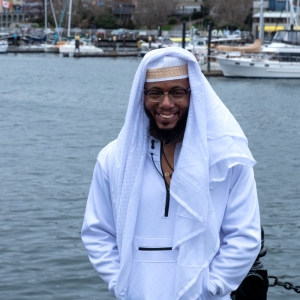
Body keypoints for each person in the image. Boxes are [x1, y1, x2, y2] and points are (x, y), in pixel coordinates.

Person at [81, 47, 261, 300]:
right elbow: (97, 232)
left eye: (177, 92)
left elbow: (244, 235)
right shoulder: (113, 159)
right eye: (155, 93)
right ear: (142, 97)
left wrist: (212, 287)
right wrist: (120, 283)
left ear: (194, 95)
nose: (166, 103)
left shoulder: (227, 160)